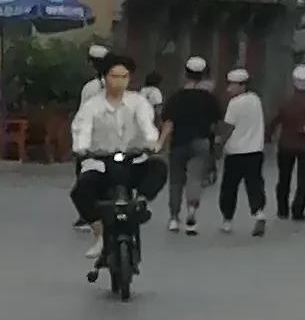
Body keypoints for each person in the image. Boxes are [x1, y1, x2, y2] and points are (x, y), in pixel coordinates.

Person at [72, 52, 164, 276]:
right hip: (100, 162)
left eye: (124, 76)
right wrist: (82, 147)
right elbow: (82, 129)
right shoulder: (92, 106)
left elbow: (146, 125)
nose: (119, 81)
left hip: (133, 161)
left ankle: (141, 203)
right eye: (114, 76)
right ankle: (100, 233)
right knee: (82, 190)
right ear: (104, 78)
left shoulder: (138, 102)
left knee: (158, 167)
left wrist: (152, 142)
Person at [162, 54, 221, 237]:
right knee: (195, 178)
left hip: (178, 142)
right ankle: (192, 212)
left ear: (186, 74)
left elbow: (166, 120)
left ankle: (173, 218)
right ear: (203, 75)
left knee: (176, 180)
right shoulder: (209, 98)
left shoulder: (176, 97)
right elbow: (217, 123)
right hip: (201, 141)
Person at [270, 61, 305, 225]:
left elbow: (274, 120)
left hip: (286, 143)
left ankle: (282, 209)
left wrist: (268, 135)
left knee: (283, 177)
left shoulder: (285, 100)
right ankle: (298, 210)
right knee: (304, 178)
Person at [217, 68, 270, 232]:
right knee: (254, 183)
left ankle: (227, 220)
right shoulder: (256, 100)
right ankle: (258, 212)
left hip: (235, 152)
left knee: (229, 187)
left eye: (232, 85)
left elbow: (228, 128)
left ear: (241, 86)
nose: (229, 89)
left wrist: (218, 144)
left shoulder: (234, 104)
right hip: (255, 151)